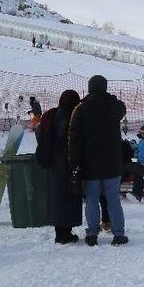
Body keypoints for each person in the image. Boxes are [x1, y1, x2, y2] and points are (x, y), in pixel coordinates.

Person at [69, 75, 129, 246]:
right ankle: (119, 234)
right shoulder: (115, 106)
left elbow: (74, 139)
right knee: (113, 200)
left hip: (90, 164)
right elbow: (122, 108)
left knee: (92, 199)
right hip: (112, 163)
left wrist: (74, 162)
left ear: (89, 88)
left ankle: (92, 234)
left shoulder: (81, 109)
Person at [35, 90, 83, 243]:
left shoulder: (51, 115)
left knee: (56, 198)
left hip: (52, 163)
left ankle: (60, 233)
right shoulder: (75, 116)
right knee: (69, 198)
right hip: (69, 162)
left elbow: (39, 132)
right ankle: (65, 234)